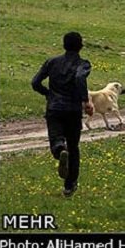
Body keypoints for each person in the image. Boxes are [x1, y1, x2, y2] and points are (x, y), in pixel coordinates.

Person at [31, 32, 93, 197]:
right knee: (74, 147)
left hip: (54, 109)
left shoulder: (52, 62)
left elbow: (35, 82)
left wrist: (48, 94)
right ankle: (69, 186)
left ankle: (59, 150)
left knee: (56, 139)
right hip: (73, 110)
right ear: (81, 46)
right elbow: (80, 78)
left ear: (64, 45)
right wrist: (86, 101)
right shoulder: (83, 64)